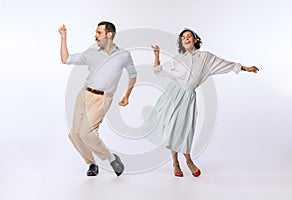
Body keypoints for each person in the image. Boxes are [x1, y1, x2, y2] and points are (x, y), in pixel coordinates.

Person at [148, 28, 259, 177]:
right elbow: (158, 71)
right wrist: (156, 55)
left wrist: (245, 68)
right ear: (181, 42)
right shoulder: (178, 58)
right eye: (183, 37)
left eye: (189, 36)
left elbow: (225, 64)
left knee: (185, 129)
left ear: (195, 40)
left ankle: (188, 159)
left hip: (188, 97)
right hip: (173, 94)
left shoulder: (205, 58)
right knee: (173, 128)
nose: (186, 39)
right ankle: (176, 162)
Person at [58, 21, 137, 177]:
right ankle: (92, 163)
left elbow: (133, 74)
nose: (95, 36)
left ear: (109, 34)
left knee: (87, 133)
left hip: (103, 98)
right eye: (96, 32)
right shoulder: (91, 53)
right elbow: (65, 59)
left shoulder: (124, 55)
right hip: (84, 94)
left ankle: (111, 158)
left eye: (99, 32)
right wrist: (63, 37)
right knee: (74, 134)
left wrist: (127, 95)